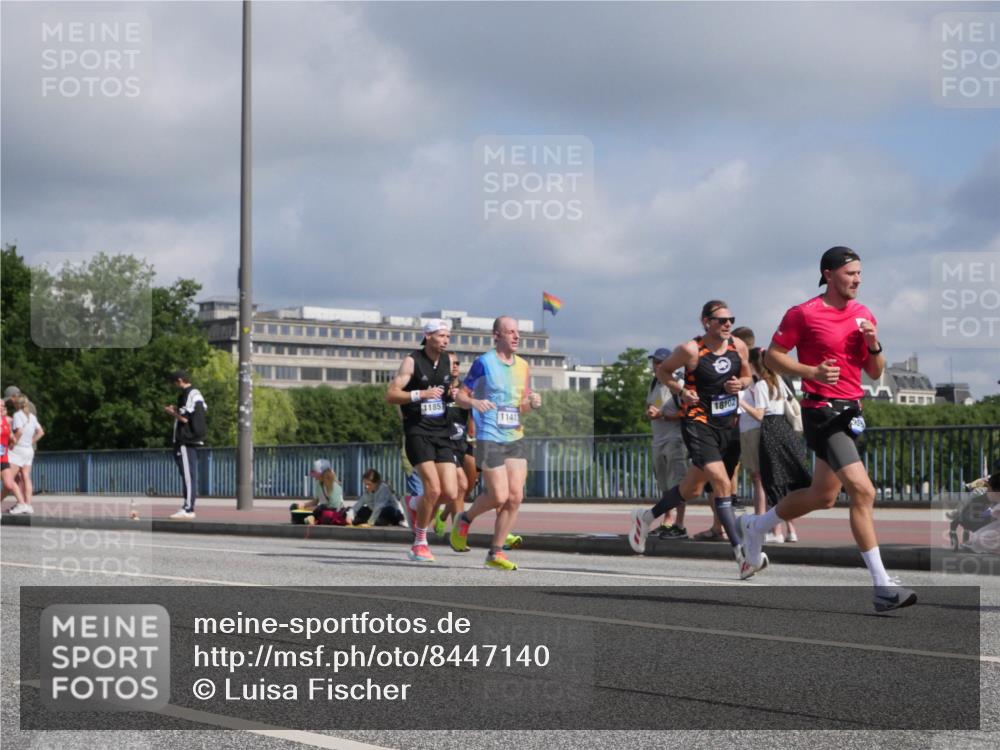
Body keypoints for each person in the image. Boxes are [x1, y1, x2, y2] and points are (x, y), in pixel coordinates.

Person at [739, 246, 917, 612]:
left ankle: (756, 527)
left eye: (859, 274)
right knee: (863, 492)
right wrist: (812, 372)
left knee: (822, 496)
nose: (858, 280)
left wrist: (873, 344)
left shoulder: (863, 314)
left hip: (852, 413)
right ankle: (882, 585)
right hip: (821, 411)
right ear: (829, 274)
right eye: (851, 273)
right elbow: (772, 355)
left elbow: (874, 371)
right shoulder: (804, 313)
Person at [628, 300, 764, 579]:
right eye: (721, 320)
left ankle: (646, 518)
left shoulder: (738, 346)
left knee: (690, 489)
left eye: (730, 319)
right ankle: (741, 555)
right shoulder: (690, 350)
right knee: (722, 484)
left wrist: (741, 384)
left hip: (728, 425)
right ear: (706, 322)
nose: (727, 324)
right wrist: (681, 390)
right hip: (698, 423)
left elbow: (749, 376)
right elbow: (663, 371)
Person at [451, 315, 542, 570]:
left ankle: (496, 553)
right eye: (510, 332)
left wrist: (532, 403)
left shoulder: (523, 366)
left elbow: (521, 405)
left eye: (518, 332)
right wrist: (474, 403)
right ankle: (465, 518)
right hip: (489, 435)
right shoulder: (484, 363)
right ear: (497, 336)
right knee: (499, 495)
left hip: (515, 435)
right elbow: (460, 395)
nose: (516, 336)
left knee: (515, 497)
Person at [385, 319, 459, 562]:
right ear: (428, 336)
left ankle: (415, 502)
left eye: (448, 336)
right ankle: (419, 542)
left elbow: (446, 394)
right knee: (433, 489)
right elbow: (392, 395)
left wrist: (453, 394)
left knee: (449, 492)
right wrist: (421, 394)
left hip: (442, 431)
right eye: (441, 335)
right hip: (418, 431)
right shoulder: (412, 361)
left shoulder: (449, 361)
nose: (446, 340)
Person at [740, 348, 805, 542]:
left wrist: (741, 403)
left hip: (769, 430)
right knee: (783, 479)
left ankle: (775, 531)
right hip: (783, 428)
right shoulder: (778, 380)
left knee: (772, 480)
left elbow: (760, 415)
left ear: (753, 364)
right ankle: (791, 530)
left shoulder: (760, 385)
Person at [645, 347, 689, 539]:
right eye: (655, 362)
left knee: (676, 483)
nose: (656, 366)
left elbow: (686, 413)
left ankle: (679, 524)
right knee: (663, 482)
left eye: (660, 362)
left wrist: (662, 414)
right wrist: (651, 411)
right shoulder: (654, 382)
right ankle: (667, 520)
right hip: (658, 439)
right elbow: (651, 404)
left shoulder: (677, 384)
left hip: (674, 439)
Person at [164, 369, 207, 520]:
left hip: (185, 440)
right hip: (193, 439)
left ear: (180, 380)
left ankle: (188, 508)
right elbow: (196, 412)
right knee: (189, 475)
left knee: (188, 476)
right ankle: (187, 506)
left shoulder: (187, 393)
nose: (174, 385)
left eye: (174, 382)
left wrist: (171, 412)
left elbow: (184, 419)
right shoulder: (197, 394)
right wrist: (177, 410)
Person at [7, 394, 44, 513]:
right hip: (29, 450)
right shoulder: (32, 416)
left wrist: (13, 443)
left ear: (17, 404)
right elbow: (41, 432)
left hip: (18, 449)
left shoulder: (17, 415)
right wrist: (31, 441)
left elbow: (20, 431)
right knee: (26, 477)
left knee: (9, 478)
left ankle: (21, 503)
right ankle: (28, 505)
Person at [292, 459, 345, 524]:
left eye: (315, 473)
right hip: (322, 511)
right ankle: (310, 518)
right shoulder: (318, 483)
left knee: (323, 513)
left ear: (322, 473)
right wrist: (304, 505)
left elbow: (335, 507)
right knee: (294, 507)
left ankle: (312, 519)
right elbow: (316, 501)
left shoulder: (334, 486)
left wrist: (316, 509)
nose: (314, 476)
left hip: (333, 513)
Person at [1, 400, 28, 513]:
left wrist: (13, 441)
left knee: (8, 485)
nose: (2, 407)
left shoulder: (5, 420)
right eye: (0, 406)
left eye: (3, 406)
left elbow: (12, 436)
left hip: (3, 458)